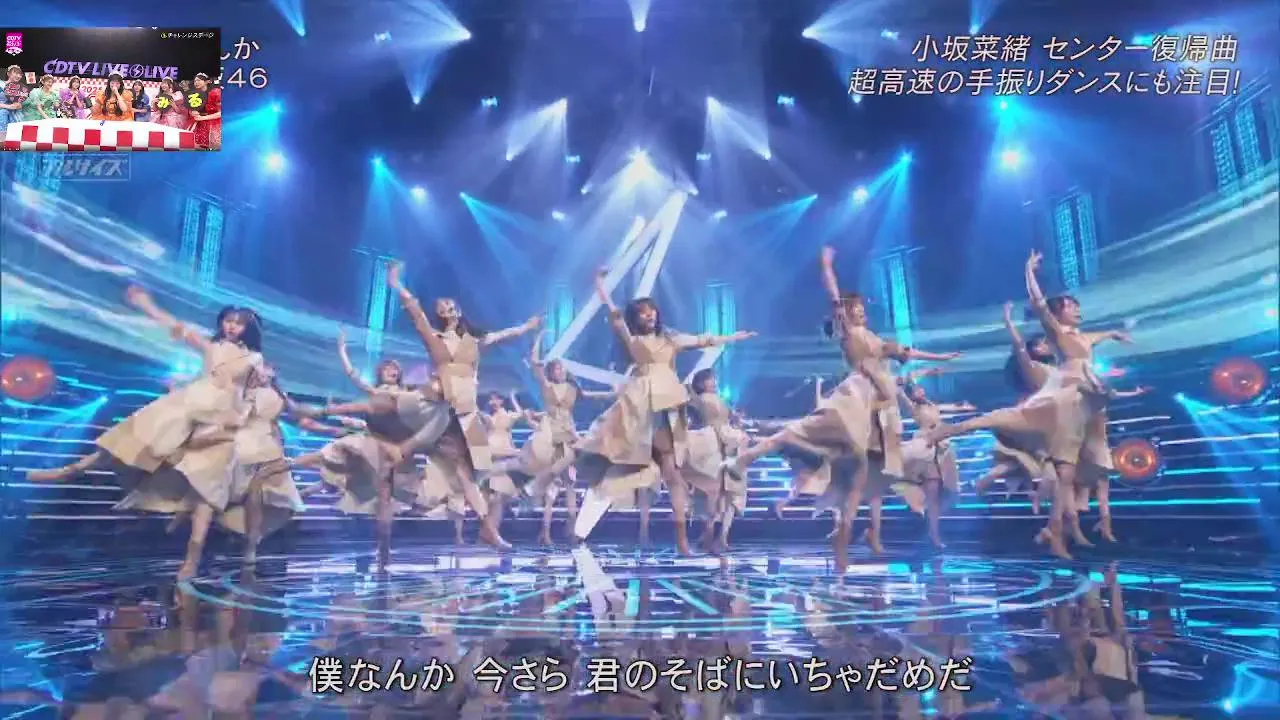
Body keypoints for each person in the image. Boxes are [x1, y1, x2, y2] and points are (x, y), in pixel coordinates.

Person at [726, 247, 960, 571]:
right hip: (854, 396)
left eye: (862, 309)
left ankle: (844, 535)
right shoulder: (848, 331)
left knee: (860, 476)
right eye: (856, 309)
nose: (861, 313)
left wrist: (941, 357)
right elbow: (834, 294)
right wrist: (826, 266)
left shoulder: (877, 339)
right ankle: (746, 457)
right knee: (803, 432)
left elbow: (907, 351)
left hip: (876, 411)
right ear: (846, 314)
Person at [29, 289, 265, 583]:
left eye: (238, 323)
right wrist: (146, 304)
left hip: (224, 420)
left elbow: (252, 396)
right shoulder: (211, 346)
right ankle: (71, 470)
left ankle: (191, 559)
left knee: (207, 490)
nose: (231, 326)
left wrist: (239, 420)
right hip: (192, 404)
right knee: (136, 434)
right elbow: (176, 327)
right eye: (228, 320)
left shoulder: (255, 358)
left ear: (248, 328)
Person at [927, 250, 1135, 558]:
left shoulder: (1083, 338)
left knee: (1066, 473)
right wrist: (1029, 271)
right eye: (1071, 307)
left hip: (1079, 403)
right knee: (1007, 418)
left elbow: (1098, 336)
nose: (1077, 311)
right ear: (1059, 313)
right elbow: (1038, 303)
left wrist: (1114, 333)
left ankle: (1056, 533)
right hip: (1061, 396)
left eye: (1078, 307)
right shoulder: (1056, 333)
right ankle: (952, 429)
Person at [572, 268, 757, 554]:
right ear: (636, 318)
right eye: (642, 313)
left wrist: (734, 337)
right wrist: (600, 285)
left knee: (673, 475)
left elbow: (702, 340)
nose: (649, 315)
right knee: (622, 471)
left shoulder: (671, 339)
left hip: (667, 404)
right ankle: (581, 528)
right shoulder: (633, 340)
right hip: (639, 407)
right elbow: (615, 315)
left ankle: (682, 541)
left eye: (652, 311)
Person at [386, 261, 541, 550]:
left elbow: (503, 335)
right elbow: (415, 312)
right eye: (442, 307)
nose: (447, 308)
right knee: (460, 470)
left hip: (468, 410)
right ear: (440, 315)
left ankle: (485, 525)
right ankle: (484, 527)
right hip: (443, 410)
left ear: (458, 310)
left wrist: (527, 328)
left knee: (474, 472)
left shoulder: (474, 339)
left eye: (450, 304)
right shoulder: (435, 338)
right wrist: (397, 286)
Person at [296, 331, 453, 570]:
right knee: (364, 492)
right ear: (381, 372)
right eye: (387, 367)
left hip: (397, 452)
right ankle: (312, 483)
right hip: (373, 449)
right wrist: (342, 351)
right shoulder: (376, 392)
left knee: (386, 506)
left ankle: (383, 553)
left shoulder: (409, 395)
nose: (392, 370)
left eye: (395, 368)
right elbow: (354, 376)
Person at [506, 330, 615, 545]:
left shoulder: (572, 389)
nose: (560, 371)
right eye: (556, 368)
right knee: (554, 482)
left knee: (568, 484)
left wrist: (612, 393)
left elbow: (591, 395)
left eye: (562, 368)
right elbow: (535, 362)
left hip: (569, 433)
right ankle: (543, 524)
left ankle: (570, 529)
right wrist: (538, 337)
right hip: (553, 434)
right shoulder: (547, 386)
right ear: (551, 372)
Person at [895, 367, 975, 549]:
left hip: (941, 449)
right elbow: (900, 387)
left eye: (921, 388)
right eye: (916, 390)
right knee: (932, 493)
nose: (920, 391)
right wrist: (925, 373)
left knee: (944, 493)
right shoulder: (913, 407)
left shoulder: (932, 405)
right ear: (912, 395)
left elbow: (948, 408)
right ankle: (932, 532)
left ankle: (932, 530)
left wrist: (963, 407)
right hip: (926, 449)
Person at [684, 368, 751, 553]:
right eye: (710, 379)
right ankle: (709, 534)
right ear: (701, 383)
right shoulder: (701, 399)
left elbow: (729, 418)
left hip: (728, 442)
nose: (714, 382)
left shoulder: (719, 399)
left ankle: (721, 537)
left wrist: (735, 418)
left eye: (714, 379)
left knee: (730, 493)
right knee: (713, 493)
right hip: (712, 442)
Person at [188, 72, 222, 150]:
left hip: (213, 124)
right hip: (199, 124)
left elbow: (221, 112)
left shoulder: (215, 92)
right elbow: (191, 109)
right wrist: (193, 112)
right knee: (197, 148)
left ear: (207, 81)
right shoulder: (195, 94)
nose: (196, 83)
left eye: (199, 80)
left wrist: (203, 118)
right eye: (195, 81)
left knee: (214, 147)